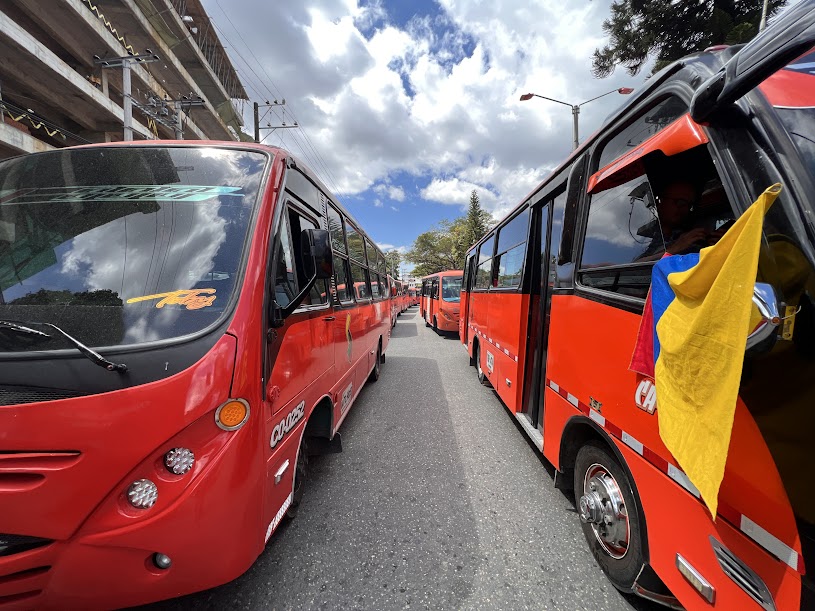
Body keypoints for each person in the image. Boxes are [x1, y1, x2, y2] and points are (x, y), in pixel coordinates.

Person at [637, 181, 724, 261]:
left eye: (689, 206)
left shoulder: (692, 235)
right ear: (660, 202)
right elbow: (636, 266)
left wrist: (718, 246)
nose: (685, 209)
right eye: (680, 202)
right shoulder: (646, 239)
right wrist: (674, 249)